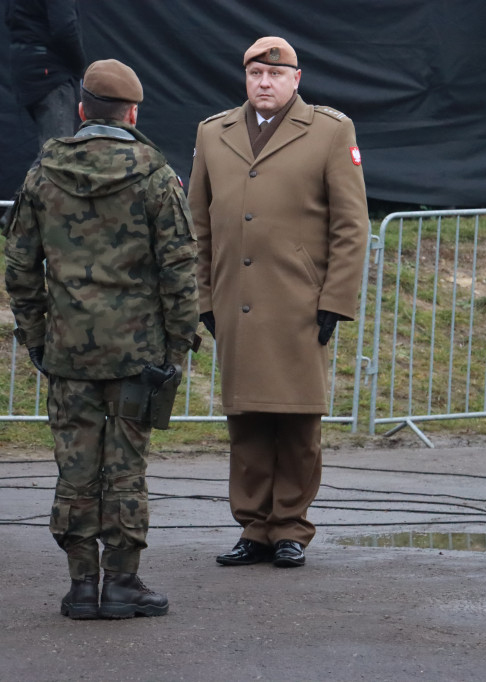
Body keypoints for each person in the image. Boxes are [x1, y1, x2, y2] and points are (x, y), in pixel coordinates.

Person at [3, 59, 200, 619]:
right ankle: (122, 582)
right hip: (139, 357)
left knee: (76, 466)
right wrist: (177, 349)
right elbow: (180, 271)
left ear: (83, 109)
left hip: (68, 354)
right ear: (133, 112)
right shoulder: (157, 177)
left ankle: (80, 585)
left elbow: (20, 269)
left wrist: (38, 339)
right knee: (126, 467)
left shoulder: (42, 175)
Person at [188, 37, 369, 569]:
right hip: (235, 301)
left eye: (275, 74)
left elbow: (351, 225)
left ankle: (290, 526)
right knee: (245, 421)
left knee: (296, 422)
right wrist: (203, 296)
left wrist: (335, 298)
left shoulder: (331, 131)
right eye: (255, 75)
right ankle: (254, 528)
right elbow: (198, 224)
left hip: (298, 303)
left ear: (296, 78)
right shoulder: (213, 132)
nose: (264, 83)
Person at [5, 0, 87, 146]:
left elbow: (11, 18)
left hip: (28, 69)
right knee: (58, 154)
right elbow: (65, 29)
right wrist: (80, 67)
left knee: (53, 152)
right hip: (50, 75)